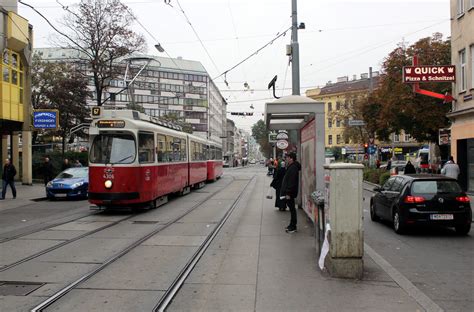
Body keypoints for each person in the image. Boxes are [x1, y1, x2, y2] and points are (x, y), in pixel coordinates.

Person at [280, 152, 301, 233]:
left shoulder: (293, 168)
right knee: (291, 209)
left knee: (292, 209)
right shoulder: (292, 167)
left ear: (291, 158)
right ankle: (291, 225)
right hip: (289, 192)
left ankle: (293, 226)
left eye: (287, 158)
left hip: (290, 193)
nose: (286, 159)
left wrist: (288, 193)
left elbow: (292, 182)